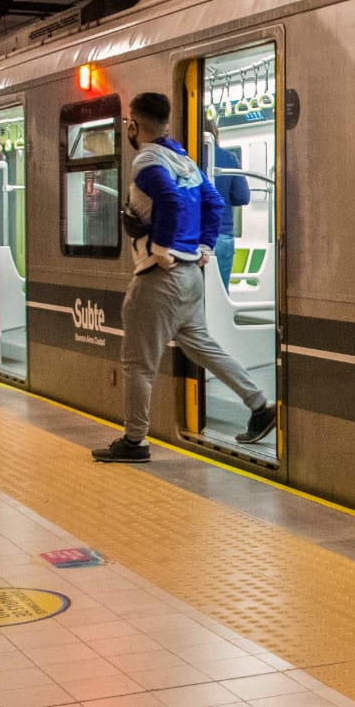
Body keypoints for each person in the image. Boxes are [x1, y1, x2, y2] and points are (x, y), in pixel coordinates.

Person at [93, 92, 276, 463]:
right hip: (191, 274)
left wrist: (161, 248)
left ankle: (134, 441)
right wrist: (205, 245)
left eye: (129, 122)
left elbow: (171, 201)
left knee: (137, 364)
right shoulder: (185, 160)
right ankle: (260, 405)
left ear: (134, 124)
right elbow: (214, 202)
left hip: (160, 278)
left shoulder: (147, 160)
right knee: (202, 345)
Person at [206, 119, 250, 292]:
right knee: (220, 292)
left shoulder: (185, 158)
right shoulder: (229, 158)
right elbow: (242, 196)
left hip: (193, 237)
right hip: (222, 234)